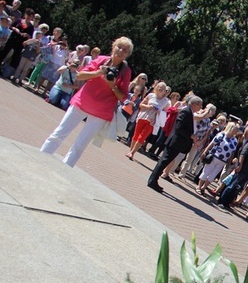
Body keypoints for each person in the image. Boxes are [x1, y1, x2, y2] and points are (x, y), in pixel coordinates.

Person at [40, 36, 133, 167]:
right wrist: (97, 72)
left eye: (125, 50)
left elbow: (123, 97)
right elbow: (79, 75)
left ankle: (64, 169)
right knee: (59, 133)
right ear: (113, 47)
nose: (121, 51)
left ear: (127, 55)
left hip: (100, 113)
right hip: (81, 102)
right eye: (120, 47)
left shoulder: (126, 71)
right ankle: (41, 158)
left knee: (80, 145)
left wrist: (112, 85)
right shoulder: (101, 60)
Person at [147, 96, 202, 193]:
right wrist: (191, 135)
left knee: (164, 162)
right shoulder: (186, 111)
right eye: (200, 105)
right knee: (163, 161)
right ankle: (152, 181)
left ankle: (154, 180)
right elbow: (179, 128)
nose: (201, 107)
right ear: (194, 104)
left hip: (178, 143)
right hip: (175, 142)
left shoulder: (190, 112)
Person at [217, 132, 248, 209]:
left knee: (237, 188)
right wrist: (239, 165)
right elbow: (242, 155)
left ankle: (227, 202)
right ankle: (221, 201)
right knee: (231, 186)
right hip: (241, 170)